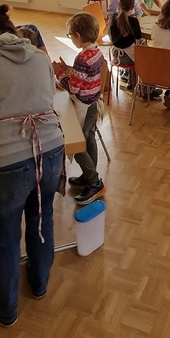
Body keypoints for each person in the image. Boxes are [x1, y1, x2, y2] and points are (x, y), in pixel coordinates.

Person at [0, 5, 66, 327]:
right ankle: (39, 284)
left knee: (5, 237)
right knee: (42, 219)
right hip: (51, 148)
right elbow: (46, 99)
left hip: (6, 160)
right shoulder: (41, 58)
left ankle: (6, 309)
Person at [54, 13, 106, 205]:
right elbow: (84, 77)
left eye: (70, 35)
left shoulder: (82, 58)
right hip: (93, 102)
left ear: (78, 35)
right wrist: (69, 70)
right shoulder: (96, 52)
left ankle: (94, 182)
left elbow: (73, 88)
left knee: (76, 144)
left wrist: (60, 73)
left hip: (82, 105)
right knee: (89, 139)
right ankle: (89, 175)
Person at [109, 0, 143, 89]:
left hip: (116, 55)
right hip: (127, 57)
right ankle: (146, 90)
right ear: (132, 7)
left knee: (135, 53)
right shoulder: (133, 21)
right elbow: (138, 36)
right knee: (144, 59)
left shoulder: (114, 18)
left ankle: (129, 79)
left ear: (119, 4)